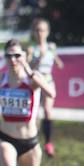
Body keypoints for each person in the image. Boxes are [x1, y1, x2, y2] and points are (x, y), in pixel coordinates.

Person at [28, 19, 64, 157]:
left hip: (48, 81)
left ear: (47, 32)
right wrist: (38, 59)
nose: (40, 33)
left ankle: (48, 143)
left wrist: (55, 58)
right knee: (35, 114)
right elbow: (29, 69)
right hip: (36, 81)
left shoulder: (51, 47)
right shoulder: (31, 49)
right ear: (33, 32)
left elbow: (59, 64)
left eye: (42, 30)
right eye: (37, 30)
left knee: (48, 111)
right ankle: (33, 143)